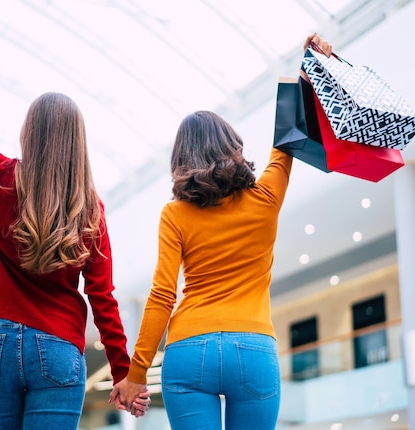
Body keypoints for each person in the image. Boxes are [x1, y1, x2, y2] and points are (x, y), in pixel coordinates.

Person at [0, 1, 150, 428]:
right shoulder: (90, 208)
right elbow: (102, 297)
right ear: (77, 142)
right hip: (59, 350)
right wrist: (123, 372)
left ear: (28, 132)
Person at [110, 34, 332, 429]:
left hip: (188, 351)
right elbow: (286, 137)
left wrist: (137, 373)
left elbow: (163, 293)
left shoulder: (174, 214)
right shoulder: (265, 197)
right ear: (231, 145)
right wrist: (308, 68)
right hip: (253, 349)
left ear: (181, 158)